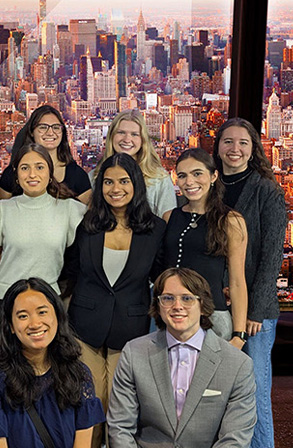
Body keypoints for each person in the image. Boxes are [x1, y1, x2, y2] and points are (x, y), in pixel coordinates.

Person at [64, 152, 168, 447]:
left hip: (131, 329)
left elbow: (162, 277)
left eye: (123, 181)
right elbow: (70, 270)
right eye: (108, 182)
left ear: (135, 184)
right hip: (84, 329)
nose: (115, 188)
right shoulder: (85, 225)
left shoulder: (156, 229)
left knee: (123, 411)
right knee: (88, 407)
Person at [107, 268, 256, 447]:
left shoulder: (237, 364)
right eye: (168, 298)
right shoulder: (134, 353)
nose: (177, 306)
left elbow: (235, 439)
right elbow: (120, 427)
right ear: (158, 305)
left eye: (187, 298)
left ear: (203, 306)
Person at [212, 118, 287, 448]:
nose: (235, 149)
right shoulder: (211, 187)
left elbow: (272, 257)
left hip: (256, 312)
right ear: (218, 147)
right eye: (228, 142)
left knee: (254, 393)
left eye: (243, 142)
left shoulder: (266, 190)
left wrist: (255, 311)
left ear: (254, 148)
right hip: (218, 307)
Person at [0, 278, 105, 448]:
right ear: (10, 325)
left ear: (58, 316)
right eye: (23, 316)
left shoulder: (78, 374)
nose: (35, 324)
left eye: (42, 312)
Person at [0, 144, 86, 340]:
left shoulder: (70, 210)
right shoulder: (0, 210)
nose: (32, 174)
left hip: (47, 301)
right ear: (16, 174)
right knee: (0, 368)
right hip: (4, 302)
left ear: (50, 173)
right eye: (25, 168)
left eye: (39, 167)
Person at [163, 148, 249, 349]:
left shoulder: (231, 221)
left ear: (213, 176)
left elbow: (237, 281)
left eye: (197, 173)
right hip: (171, 320)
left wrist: (239, 335)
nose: (189, 182)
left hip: (213, 320)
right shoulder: (169, 218)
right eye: (182, 176)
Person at [88, 110, 177, 217]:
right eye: (121, 133)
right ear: (111, 136)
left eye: (134, 134)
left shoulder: (159, 179)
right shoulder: (94, 177)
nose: (127, 139)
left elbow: (168, 222)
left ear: (143, 140)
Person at [0, 105, 93, 204]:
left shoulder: (77, 175)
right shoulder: (12, 174)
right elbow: (3, 213)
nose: (50, 133)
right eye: (43, 127)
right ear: (31, 132)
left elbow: (87, 216)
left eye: (56, 127)